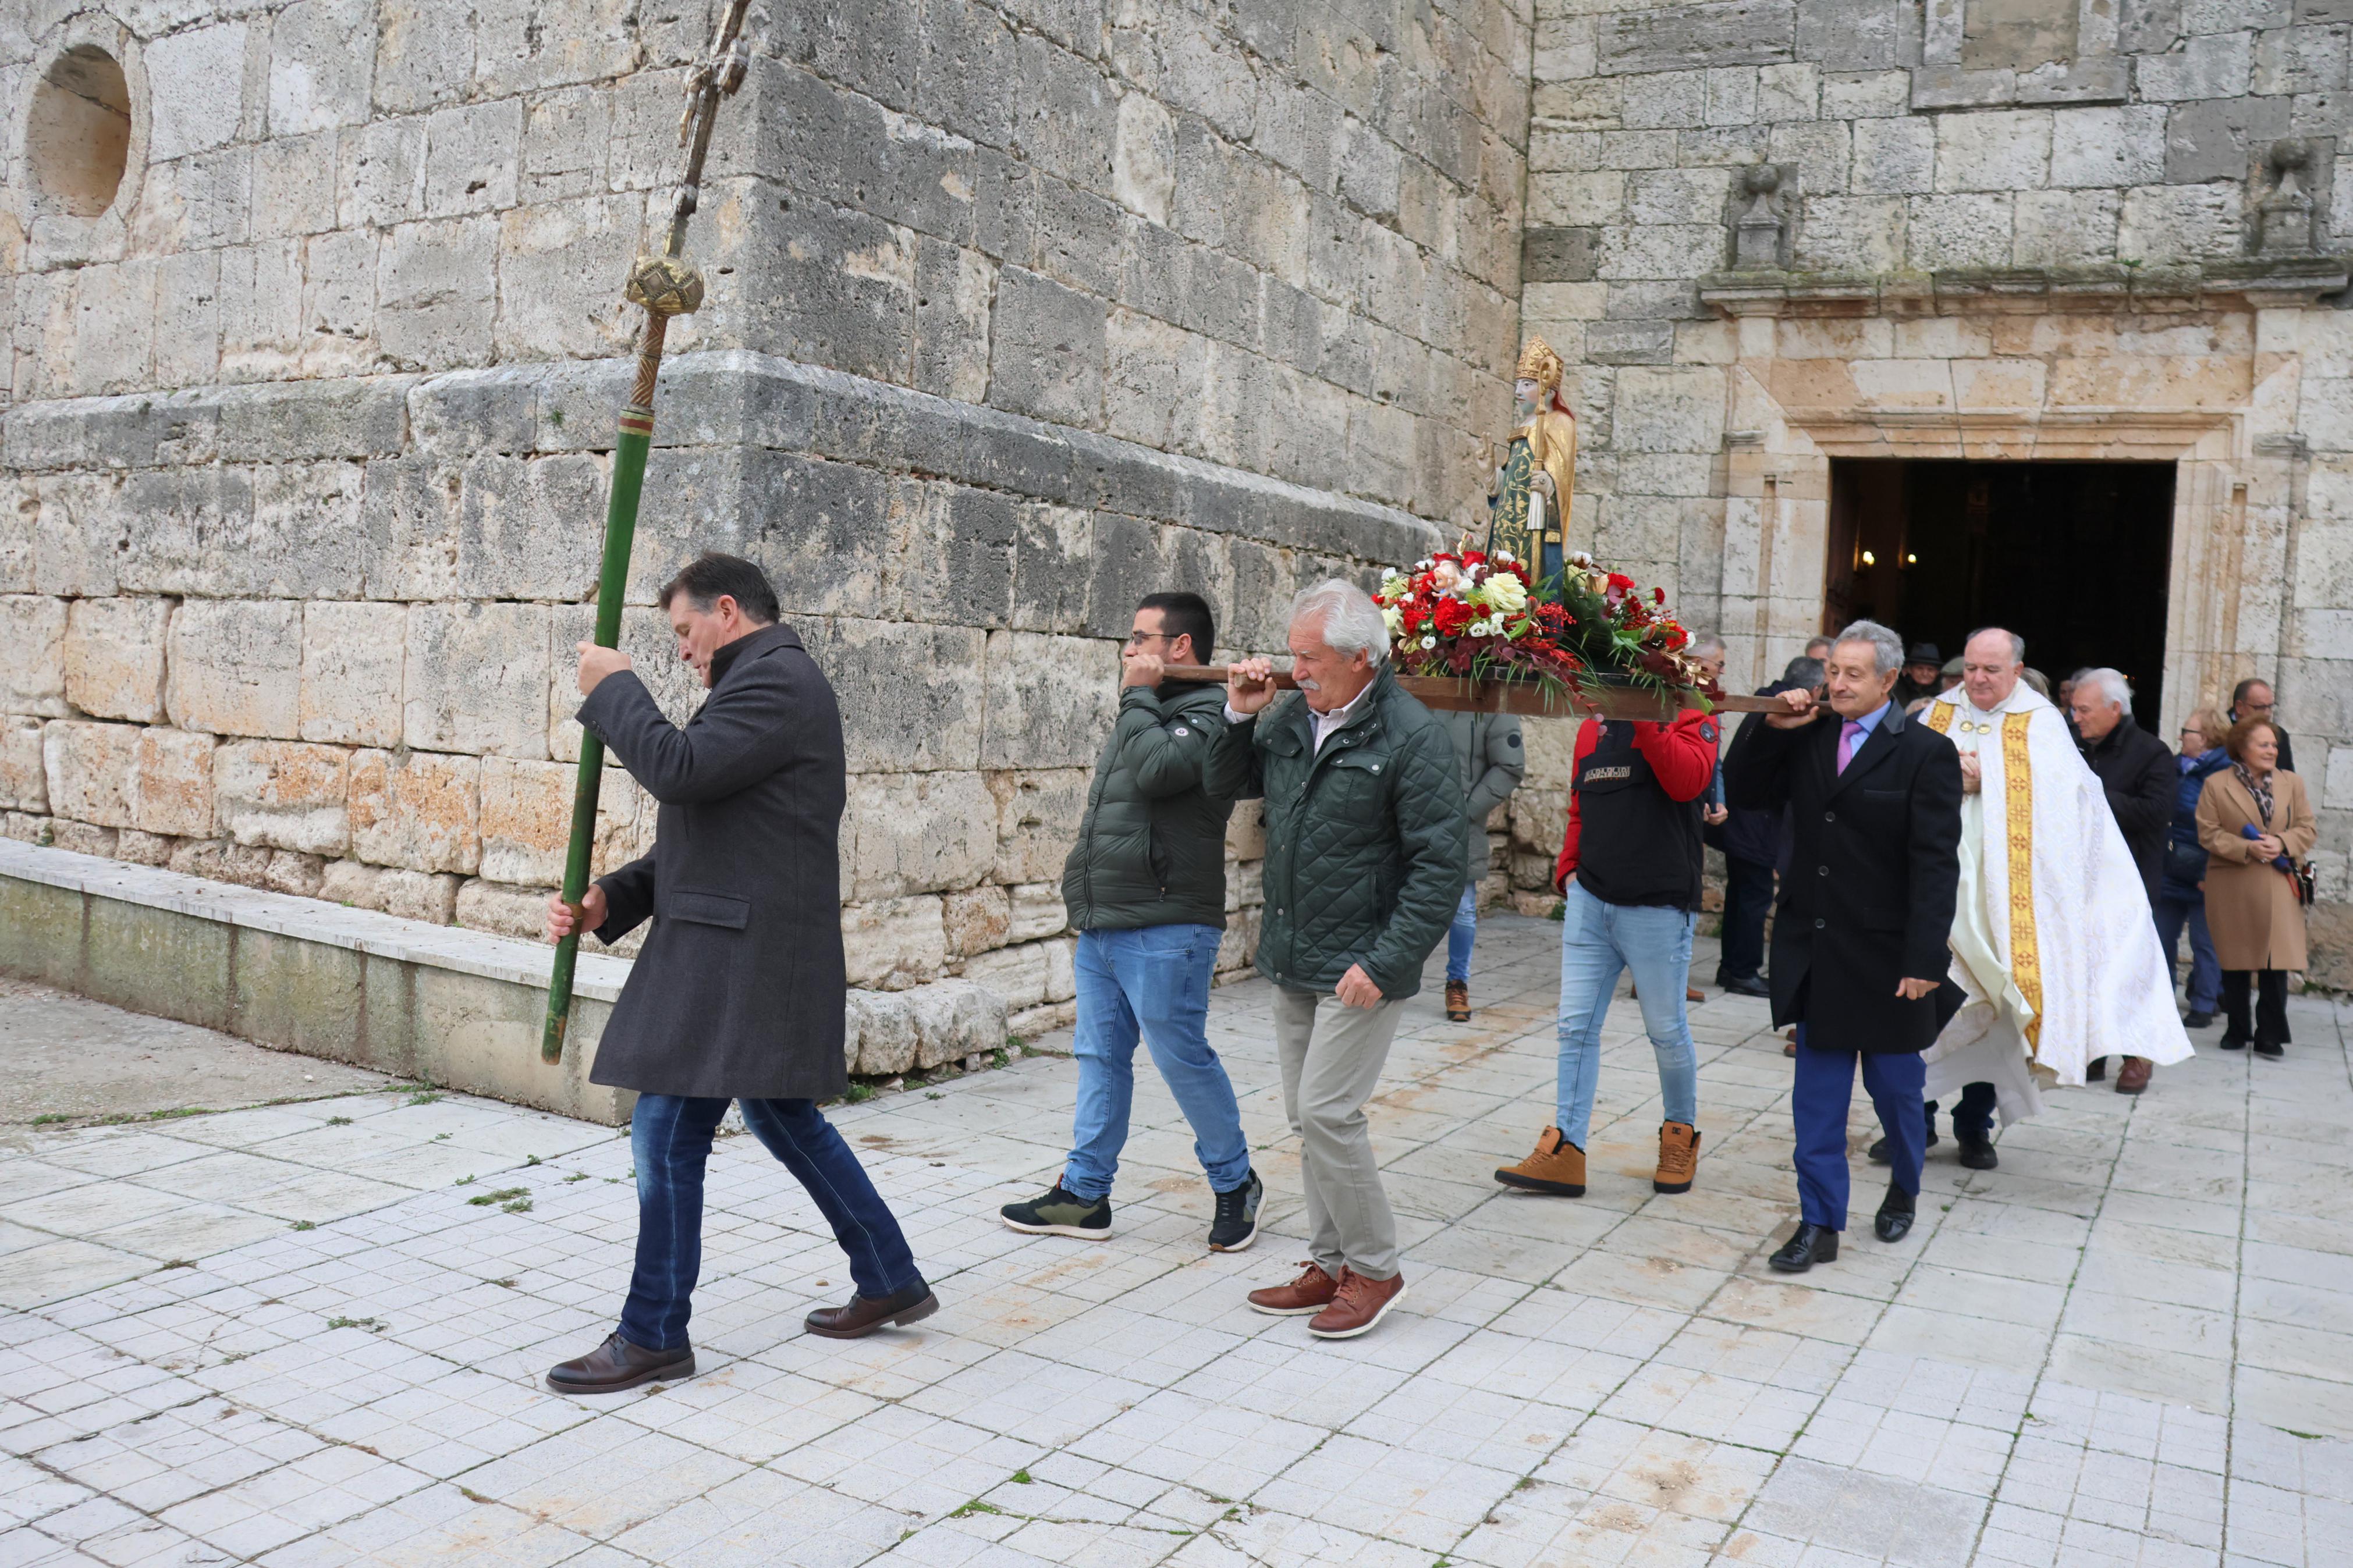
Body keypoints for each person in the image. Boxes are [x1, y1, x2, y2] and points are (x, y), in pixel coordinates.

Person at [541, 553, 935, 1395]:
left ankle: (652, 1332)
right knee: (780, 1115)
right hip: (748, 950)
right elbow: (708, 832)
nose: (681, 650)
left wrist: (615, 688)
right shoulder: (754, 686)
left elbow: (676, 769)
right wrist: (611, 897)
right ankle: (888, 1271)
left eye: (685, 630)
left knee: (665, 1133)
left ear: (727, 609)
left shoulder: (778, 681)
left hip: (742, 958)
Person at [1207, 581, 1463, 1340]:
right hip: (1294, 950)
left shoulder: (1410, 736)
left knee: (1327, 1110)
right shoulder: (1291, 717)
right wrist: (1236, 719)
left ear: (1361, 659)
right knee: (1303, 1115)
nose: (1297, 669)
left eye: (1308, 657)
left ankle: (1375, 1267)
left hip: (1362, 963)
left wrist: (1385, 962)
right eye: (1293, 654)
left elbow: (1438, 865)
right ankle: (1329, 1261)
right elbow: (1219, 788)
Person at [1000, 592, 1261, 1250]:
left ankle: (1235, 1183)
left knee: (1180, 1058)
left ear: (1179, 646)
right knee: (1099, 1057)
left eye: (1140, 637)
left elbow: (1155, 771)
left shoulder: (1210, 713)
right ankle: (1085, 1194)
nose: (1127, 649)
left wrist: (1135, 697)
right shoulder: (1150, 709)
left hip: (1168, 922)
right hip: (1107, 919)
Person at [1724, 621, 1961, 1272]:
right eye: (1833, 671)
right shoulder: (1806, 735)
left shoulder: (1924, 751)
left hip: (1888, 957)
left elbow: (1936, 863)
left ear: (1888, 680)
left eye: (1854, 674)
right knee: (1817, 1104)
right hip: (1818, 945)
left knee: (1895, 1093)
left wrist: (1924, 958)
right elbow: (1742, 791)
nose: (1837, 684)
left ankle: (1904, 1185)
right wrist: (1769, 726)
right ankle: (1818, 1222)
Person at [1917, 630, 2192, 1147]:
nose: (1976, 678)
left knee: (2000, 1010)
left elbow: (2069, 806)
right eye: (1971, 667)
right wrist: (1949, 777)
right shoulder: (1936, 713)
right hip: (1939, 890)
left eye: (1991, 670)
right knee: (1929, 1004)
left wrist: (1986, 780)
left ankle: (1973, 1126)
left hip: (2007, 903)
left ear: (2017, 671)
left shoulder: (2041, 723)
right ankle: (1915, 1121)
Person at [1492, 667, 1720, 1206]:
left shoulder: (1693, 716)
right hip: (1592, 901)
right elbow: (1580, 807)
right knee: (1574, 1027)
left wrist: (1644, 718)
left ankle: (1678, 1135)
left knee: (1665, 1029)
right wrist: (1568, 869)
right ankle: (1566, 1149)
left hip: (1658, 906)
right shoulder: (1591, 730)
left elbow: (1687, 781)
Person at [2070, 667, 2177, 1094]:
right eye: (2073, 708)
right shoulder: (2070, 744)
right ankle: (2092, 1049)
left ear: (2114, 709)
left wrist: (2092, 795)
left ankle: (2137, 1055)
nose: (2075, 716)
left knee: (2131, 966)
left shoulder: (2152, 752)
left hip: (2132, 876)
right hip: (2081, 876)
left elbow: (2155, 812)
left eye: (2083, 709)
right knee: (2085, 962)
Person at [2197, 716, 2314, 1057]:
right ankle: (2237, 1028)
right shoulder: (2217, 784)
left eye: (2274, 744)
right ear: (2242, 748)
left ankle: (2270, 1034)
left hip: (2279, 881)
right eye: (2264, 744)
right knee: (2236, 958)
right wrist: (2246, 847)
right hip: (2234, 880)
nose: (2272, 750)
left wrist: (2282, 842)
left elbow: (2307, 828)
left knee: (2275, 962)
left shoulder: (2292, 783)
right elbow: (2208, 832)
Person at [1715, 654, 1823, 998]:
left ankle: (1731, 967)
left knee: (1743, 895)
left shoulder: (1767, 699)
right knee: (1753, 897)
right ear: (1816, 687)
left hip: (1746, 821)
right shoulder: (1781, 710)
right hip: (1756, 822)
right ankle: (1742, 970)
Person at [1437, 709, 1525, 1022]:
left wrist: (1466, 810)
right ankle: (1385, 978)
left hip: (1462, 827)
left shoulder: (1489, 701)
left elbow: (1510, 764)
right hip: (1407, 818)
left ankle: (1457, 982)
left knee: (1461, 910)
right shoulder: (1419, 683)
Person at [2156, 709, 2229, 1030]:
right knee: (2161, 937)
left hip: (2205, 870)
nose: (2181, 735)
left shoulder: (2226, 774)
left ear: (2206, 738)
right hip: (2169, 865)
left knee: (2205, 942)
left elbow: (2230, 827)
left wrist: (2211, 872)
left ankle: (2204, 1003)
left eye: (2187, 730)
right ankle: (2160, 998)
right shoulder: (2172, 768)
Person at [2228, 679, 2296, 774]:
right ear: (2240, 707)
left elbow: (2287, 777)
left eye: (2270, 707)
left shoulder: (2280, 735)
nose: (2267, 713)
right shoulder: (2219, 731)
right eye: (2260, 707)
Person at [1896, 642, 1942, 707]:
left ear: (1937, 672)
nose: (1925, 674)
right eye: (1920, 668)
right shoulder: (1896, 690)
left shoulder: (1943, 693)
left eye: (1930, 670)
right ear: (1909, 669)